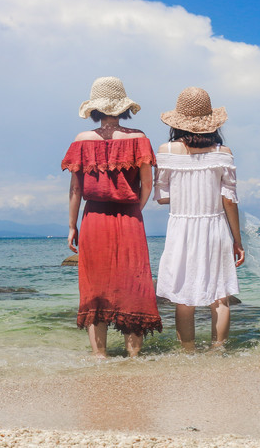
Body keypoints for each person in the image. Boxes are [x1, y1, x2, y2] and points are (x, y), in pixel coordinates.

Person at [61, 76, 162, 358]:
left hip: (93, 218)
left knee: (95, 288)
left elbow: (75, 189)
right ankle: (134, 358)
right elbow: (147, 185)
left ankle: (100, 358)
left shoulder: (82, 141)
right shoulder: (138, 138)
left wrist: (71, 225)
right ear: (123, 107)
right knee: (134, 284)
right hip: (130, 219)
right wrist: (134, 211)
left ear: (94, 109)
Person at [154, 86, 245, 352]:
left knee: (184, 298)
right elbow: (229, 200)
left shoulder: (166, 150)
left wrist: (187, 195)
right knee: (220, 296)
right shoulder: (223, 152)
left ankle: (188, 352)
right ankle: (219, 350)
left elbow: (161, 197)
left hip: (181, 228)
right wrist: (237, 241)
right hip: (215, 226)